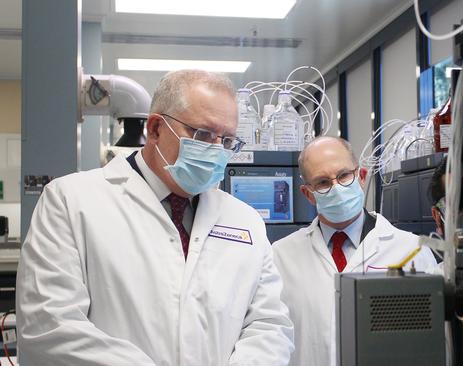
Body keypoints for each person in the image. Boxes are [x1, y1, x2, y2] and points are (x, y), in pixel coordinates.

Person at [16, 70, 294, 366]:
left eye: (226, 141)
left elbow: (269, 326)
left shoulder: (245, 221)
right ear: (156, 129)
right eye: (202, 134)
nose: (216, 151)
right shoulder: (70, 201)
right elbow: (49, 327)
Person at [272, 136, 438, 366]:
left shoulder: (412, 251)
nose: (336, 188)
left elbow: (431, 343)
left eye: (343, 176)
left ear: (361, 176)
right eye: (322, 182)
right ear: (308, 194)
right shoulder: (281, 256)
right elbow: (269, 336)